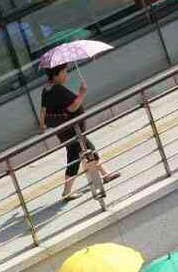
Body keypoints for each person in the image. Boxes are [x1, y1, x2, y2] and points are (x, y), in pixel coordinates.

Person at [39, 64, 119, 202]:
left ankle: (105, 175)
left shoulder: (46, 90)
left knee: (89, 150)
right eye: (64, 72)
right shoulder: (58, 89)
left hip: (65, 131)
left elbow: (43, 111)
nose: (66, 74)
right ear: (56, 74)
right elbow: (72, 107)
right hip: (73, 130)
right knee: (74, 158)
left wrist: (42, 126)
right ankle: (66, 192)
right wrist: (82, 93)